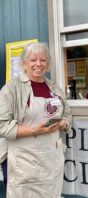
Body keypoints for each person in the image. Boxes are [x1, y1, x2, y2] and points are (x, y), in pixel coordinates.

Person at [0, 42, 72, 198]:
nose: (38, 64)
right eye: (33, 60)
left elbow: (67, 114)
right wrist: (34, 130)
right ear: (24, 63)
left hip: (50, 159)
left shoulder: (54, 88)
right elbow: (2, 126)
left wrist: (63, 123)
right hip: (23, 161)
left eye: (43, 60)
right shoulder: (11, 89)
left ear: (48, 63)